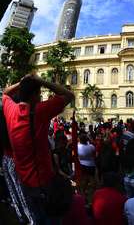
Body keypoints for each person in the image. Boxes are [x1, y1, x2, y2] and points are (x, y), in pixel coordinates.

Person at [2, 75, 74, 224]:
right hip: (44, 181)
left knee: (36, 217)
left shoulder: (10, 110)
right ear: (35, 95)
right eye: (39, 94)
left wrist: (22, 82)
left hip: (24, 181)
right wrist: (40, 80)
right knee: (52, 218)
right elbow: (69, 95)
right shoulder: (40, 111)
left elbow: (5, 93)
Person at [78, 132, 96, 198]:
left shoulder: (77, 146)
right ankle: (92, 193)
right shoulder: (91, 147)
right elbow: (94, 154)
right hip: (91, 165)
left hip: (82, 165)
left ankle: (83, 192)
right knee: (92, 179)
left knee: (84, 179)